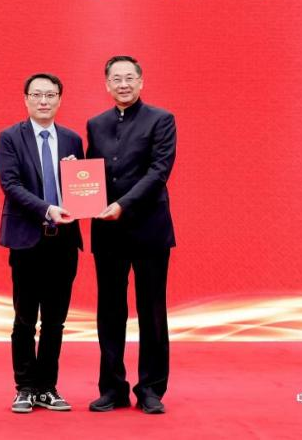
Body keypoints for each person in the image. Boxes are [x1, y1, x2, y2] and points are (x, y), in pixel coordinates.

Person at [86, 55, 177, 414]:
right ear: (106, 85)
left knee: (151, 310)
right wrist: (74, 174)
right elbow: (92, 173)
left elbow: (158, 171)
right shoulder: (96, 124)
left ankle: (151, 388)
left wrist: (123, 204)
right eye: (116, 79)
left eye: (129, 78)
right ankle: (112, 388)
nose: (123, 84)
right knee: (109, 310)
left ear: (141, 82)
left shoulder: (161, 119)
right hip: (107, 231)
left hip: (149, 228)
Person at [0, 73, 84, 413]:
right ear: (26, 99)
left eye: (50, 95)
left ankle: (47, 387)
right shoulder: (10, 138)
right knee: (24, 319)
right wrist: (47, 209)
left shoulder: (72, 139)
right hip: (28, 241)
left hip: (64, 242)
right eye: (37, 95)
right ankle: (24, 387)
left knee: (55, 321)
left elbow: (81, 187)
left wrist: (80, 188)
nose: (43, 101)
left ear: (60, 99)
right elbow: (11, 185)